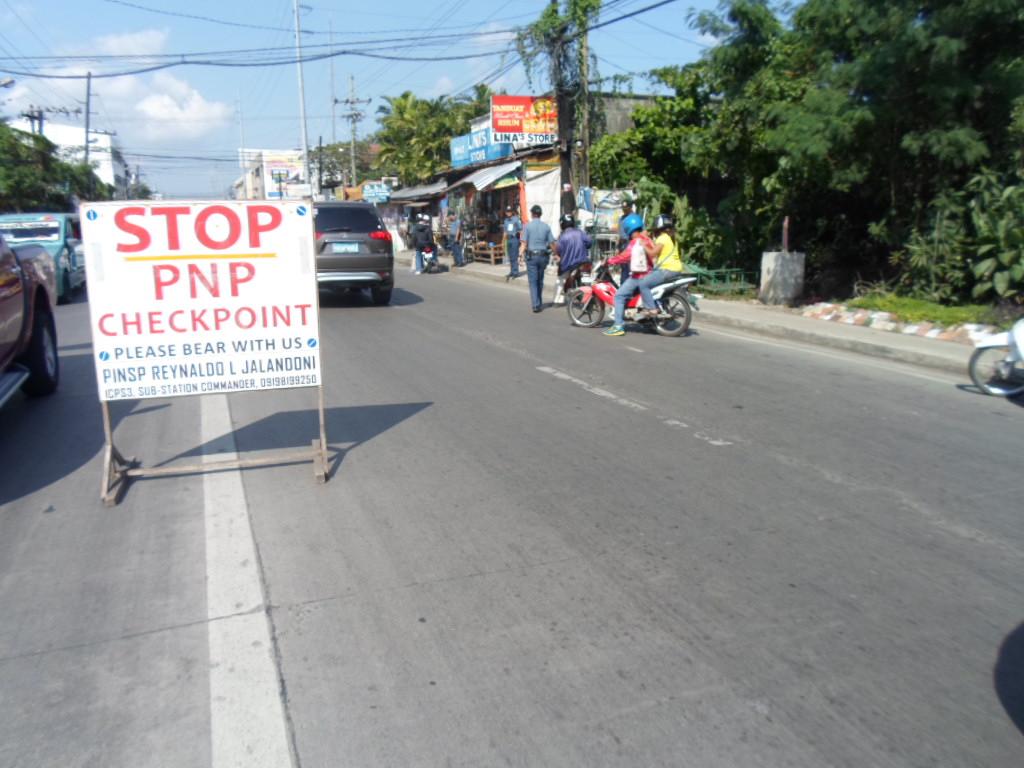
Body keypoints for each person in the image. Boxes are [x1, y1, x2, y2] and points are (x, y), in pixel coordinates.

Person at [603, 213, 658, 336]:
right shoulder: (647, 239)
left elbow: (624, 257)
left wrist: (610, 261)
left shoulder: (634, 242)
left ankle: (618, 325)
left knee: (619, 296)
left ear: (628, 228)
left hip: (638, 277)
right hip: (650, 274)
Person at [636, 214, 685, 310]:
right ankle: (661, 306)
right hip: (676, 269)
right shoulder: (671, 238)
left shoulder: (662, 238)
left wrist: (642, 244)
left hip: (667, 270)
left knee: (643, 284)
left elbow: (652, 253)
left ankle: (651, 309)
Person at [520, 204, 554, 313]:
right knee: (540, 280)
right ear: (540, 214)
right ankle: (538, 301)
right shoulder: (546, 227)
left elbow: (524, 244)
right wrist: (557, 254)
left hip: (532, 257)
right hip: (543, 256)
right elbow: (552, 243)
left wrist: (519, 255)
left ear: (532, 214)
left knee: (533, 281)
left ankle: (536, 305)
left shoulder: (527, 226)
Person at [552, 213, 592, 296]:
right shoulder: (581, 232)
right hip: (583, 262)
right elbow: (589, 243)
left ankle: (558, 300)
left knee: (560, 279)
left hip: (569, 266)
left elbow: (558, 250)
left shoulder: (562, 237)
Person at [502, 205, 522, 280]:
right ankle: (511, 271)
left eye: (510, 211)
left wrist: (521, 239)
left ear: (512, 212)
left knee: (514, 256)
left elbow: (520, 229)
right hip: (508, 239)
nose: (508, 213)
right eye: (507, 211)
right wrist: (503, 242)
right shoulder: (506, 221)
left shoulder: (516, 219)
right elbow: (505, 231)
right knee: (510, 256)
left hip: (514, 239)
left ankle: (515, 272)